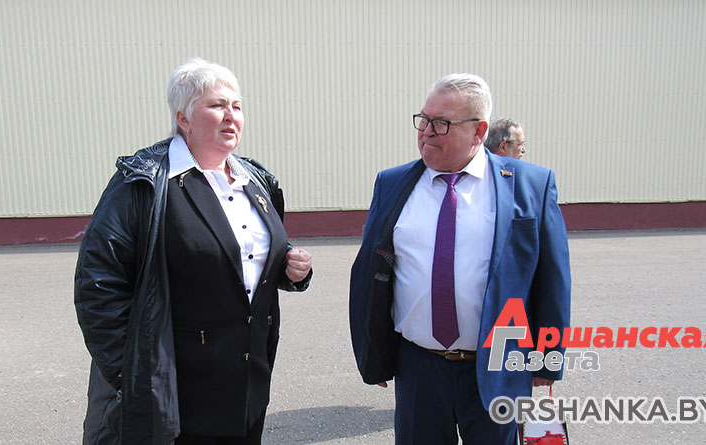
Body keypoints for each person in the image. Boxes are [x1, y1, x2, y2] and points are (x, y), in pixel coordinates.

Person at [74, 57, 313, 445]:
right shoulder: (146, 182)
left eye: (237, 106)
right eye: (217, 105)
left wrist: (290, 267)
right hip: (176, 395)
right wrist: (132, 376)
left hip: (247, 384)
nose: (231, 115)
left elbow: (250, 257)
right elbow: (98, 284)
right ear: (183, 118)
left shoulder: (255, 180)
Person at [349, 73, 570, 444]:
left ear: (479, 131)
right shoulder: (392, 183)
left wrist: (548, 358)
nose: (426, 132)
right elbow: (371, 273)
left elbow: (553, 280)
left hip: (499, 365)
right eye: (424, 120)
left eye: (441, 123)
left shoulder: (530, 185)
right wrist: (374, 353)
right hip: (418, 367)